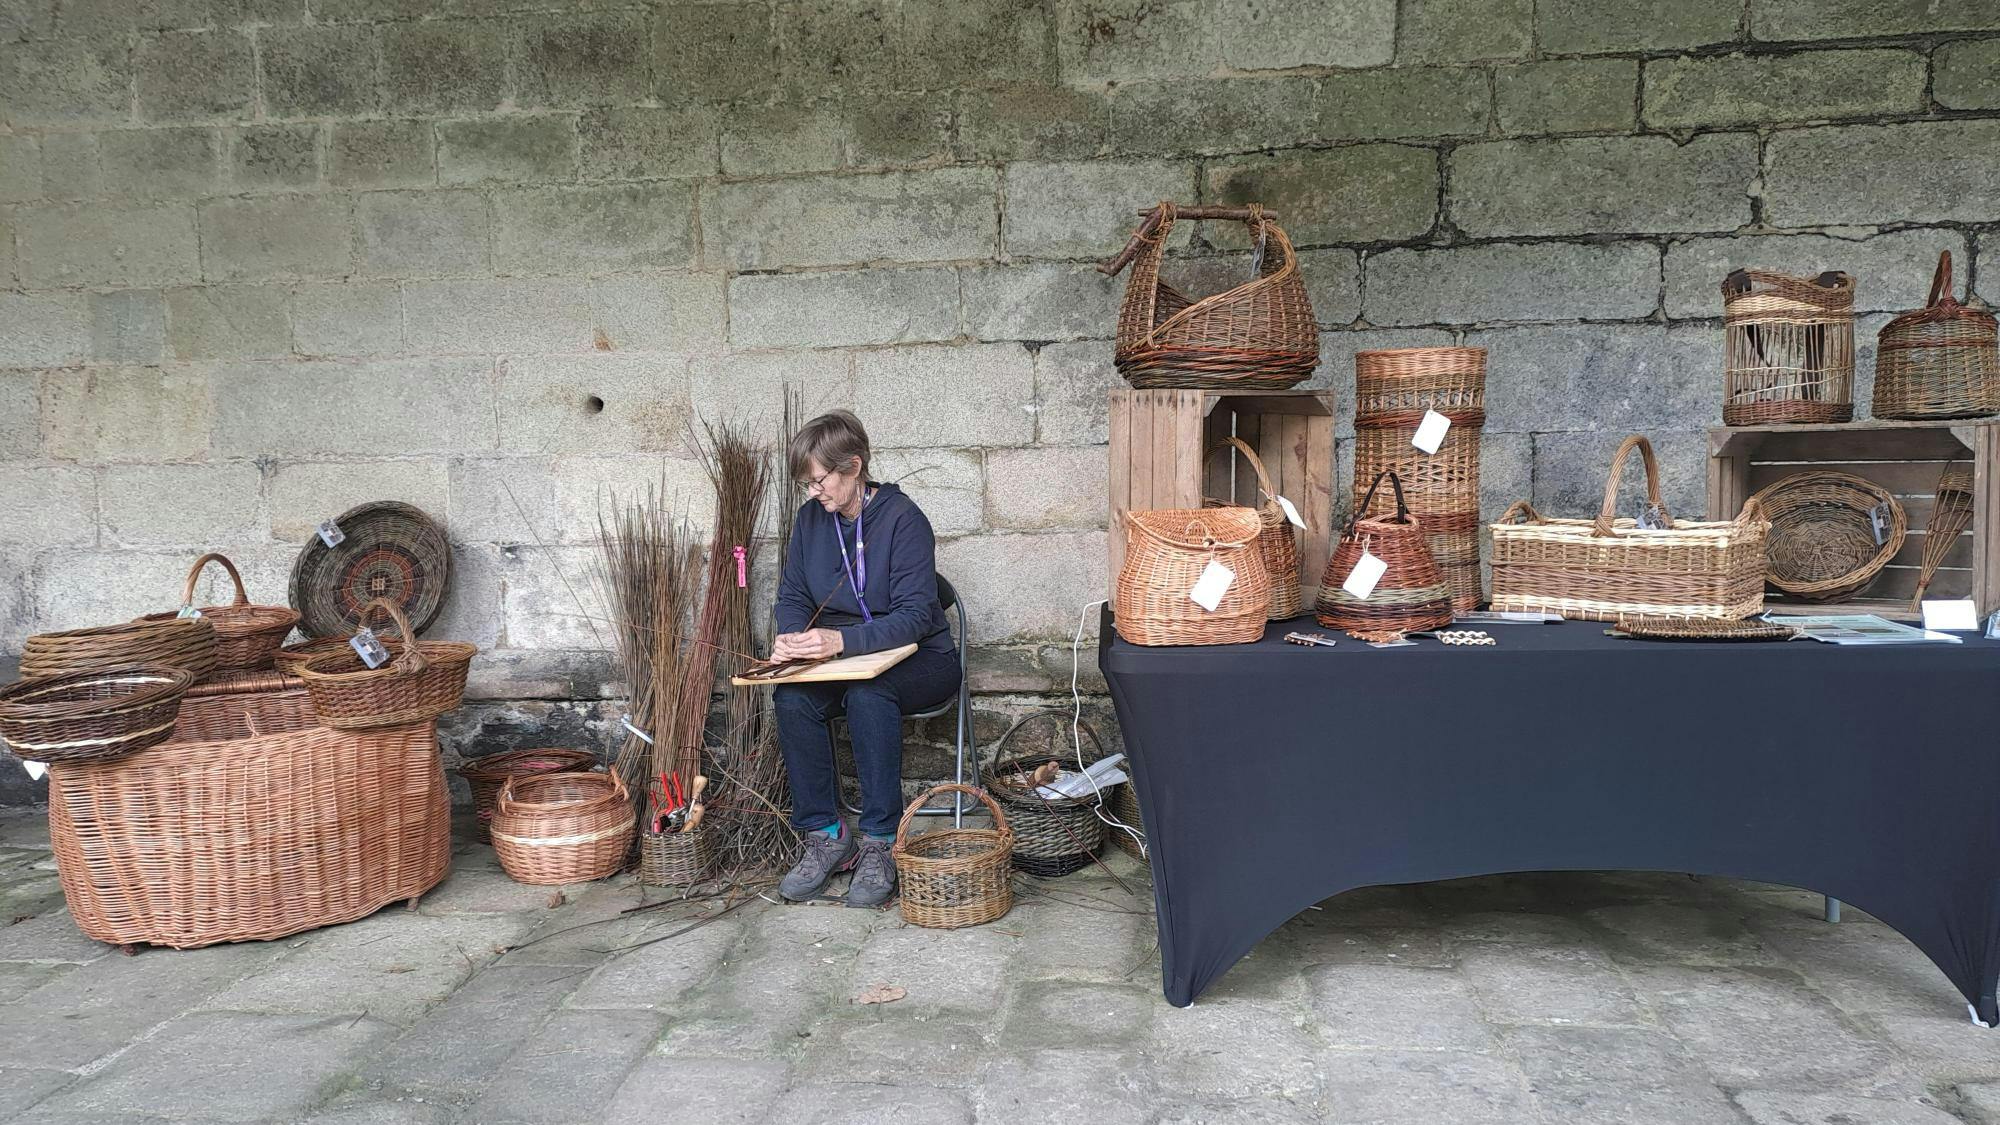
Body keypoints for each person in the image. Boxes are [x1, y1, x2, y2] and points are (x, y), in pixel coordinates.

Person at [772, 410, 960, 905]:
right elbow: (793, 593)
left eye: (819, 481)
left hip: (922, 659)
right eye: (806, 484)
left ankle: (880, 840)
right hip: (846, 660)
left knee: (869, 693)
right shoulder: (812, 520)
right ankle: (826, 834)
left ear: (853, 466)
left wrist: (840, 643)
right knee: (791, 698)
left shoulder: (903, 519)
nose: (813, 492)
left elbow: (918, 616)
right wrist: (793, 637)